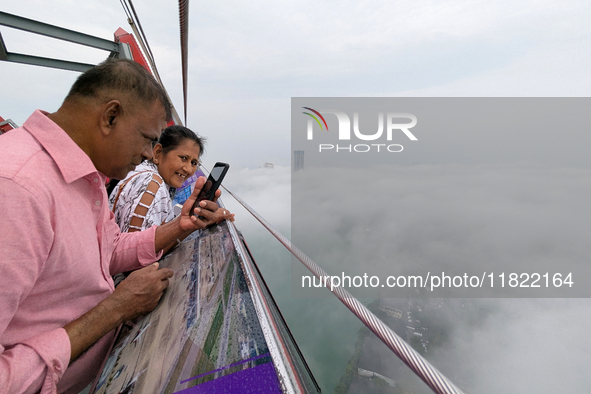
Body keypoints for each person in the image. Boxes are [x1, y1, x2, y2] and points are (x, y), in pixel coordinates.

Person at [0, 59, 228, 394]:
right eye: (148, 139)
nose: (149, 153)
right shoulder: (17, 189)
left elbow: (109, 250)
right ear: (110, 116)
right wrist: (115, 309)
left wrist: (182, 226)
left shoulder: (83, 177)